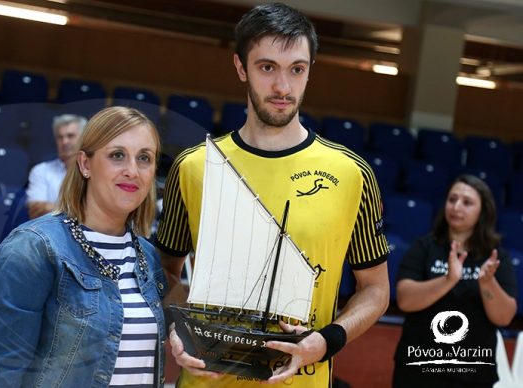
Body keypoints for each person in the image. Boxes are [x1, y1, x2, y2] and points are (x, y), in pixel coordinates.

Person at [155, 3, 389, 387]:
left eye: (297, 69)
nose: (283, 87)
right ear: (240, 67)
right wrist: (176, 329)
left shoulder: (352, 174)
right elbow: (166, 271)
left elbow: (376, 289)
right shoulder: (194, 167)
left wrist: (326, 342)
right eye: (267, 68)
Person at [0, 107, 169, 388]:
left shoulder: (148, 257)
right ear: (85, 164)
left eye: (144, 158)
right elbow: (2, 372)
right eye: (117, 155)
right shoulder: (33, 248)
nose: (132, 171)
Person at [393, 174, 517, 388]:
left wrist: (488, 283)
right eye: (452, 199)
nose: (456, 206)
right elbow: (405, 300)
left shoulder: (496, 258)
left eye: (467, 202)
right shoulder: (424, 247)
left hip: (473, 371)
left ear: (482, 211)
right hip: (418, 366)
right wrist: (448, 280)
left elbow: (504, 317)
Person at [26, 113, 87, 219]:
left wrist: (51, 207)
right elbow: (36, 211)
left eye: (70, 136)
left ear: (83, 138)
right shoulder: (41, 170)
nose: (64, 142)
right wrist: (79, 211)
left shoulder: (95, 171)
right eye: (60, 137)